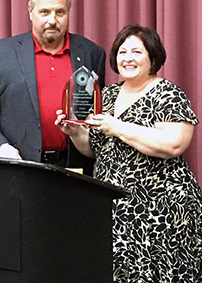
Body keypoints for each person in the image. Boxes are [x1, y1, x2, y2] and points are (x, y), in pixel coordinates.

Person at [55, 24, 202, 282]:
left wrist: (119, 127)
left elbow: (175, 144)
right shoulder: (106, 94)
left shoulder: (168, 93)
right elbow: (94, 148)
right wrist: (74, 132)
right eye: (122, 52)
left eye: (137, 51)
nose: (128, 58)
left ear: (152, 57)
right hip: (114, 209)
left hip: (161, 212)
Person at [0, 0, 105, 175]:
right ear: (31, 12)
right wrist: (2, 147)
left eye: (60, 12)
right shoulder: (1, 53)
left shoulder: (92, 53)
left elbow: (98, 112)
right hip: (19, 167)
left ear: (68, 13)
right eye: (44, 12)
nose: (52, 20)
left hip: (76, 169)